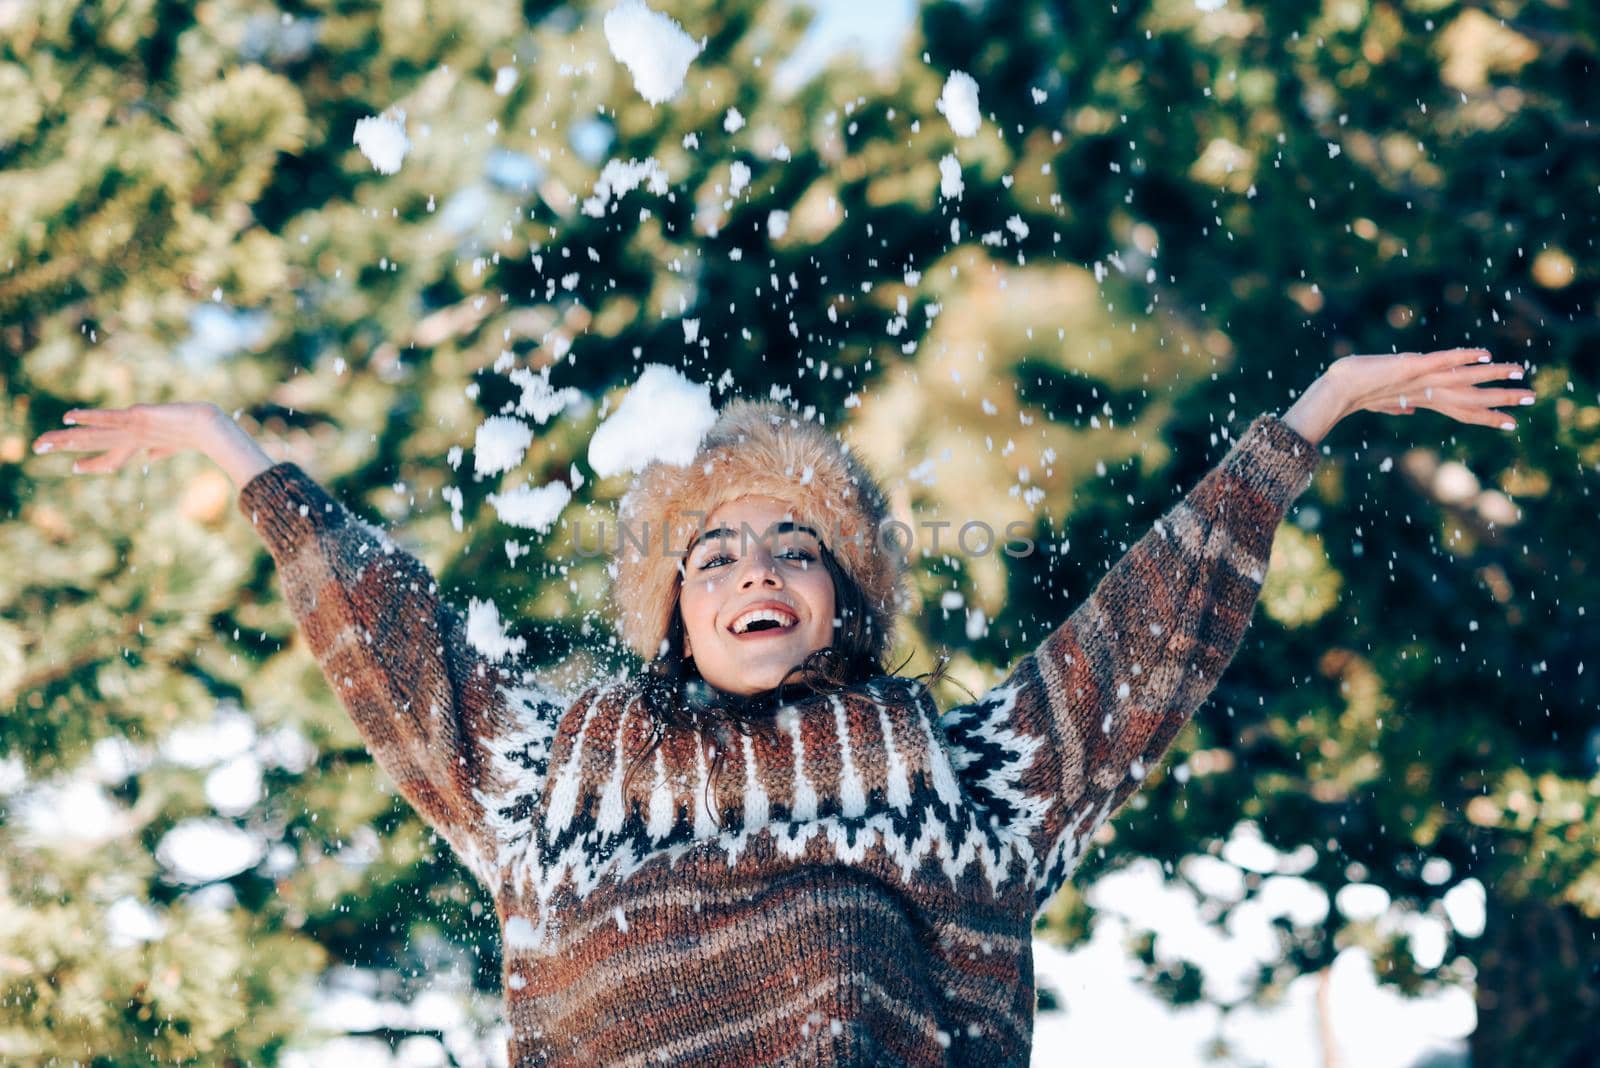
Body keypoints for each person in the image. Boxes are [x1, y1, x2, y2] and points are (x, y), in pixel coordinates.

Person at [30, 349, 1532, 1065]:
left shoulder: (968, 772)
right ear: (672, 607)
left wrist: (1316, 412)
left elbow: (1154, 626)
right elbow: (386, 633)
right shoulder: (550, 769)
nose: (757, 574)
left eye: (794, 549)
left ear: (844, 596)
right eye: (718, 554)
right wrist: (229, 449)